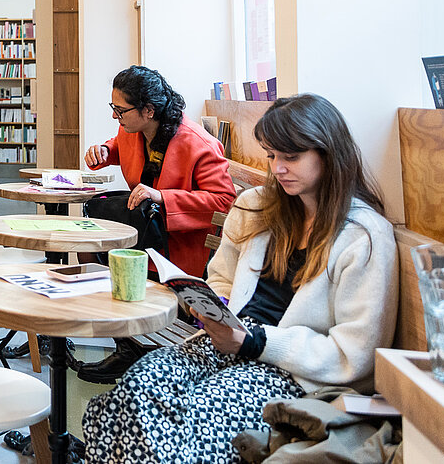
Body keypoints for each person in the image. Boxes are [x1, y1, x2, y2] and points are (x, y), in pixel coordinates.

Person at [80, 93, 398, 464]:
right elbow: (222, 278)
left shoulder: (363, 236)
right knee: (133, 391)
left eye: (290, 157)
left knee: (181, 421)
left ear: (328, 154)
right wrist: (216, 308)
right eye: (272, 156)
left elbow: (353, 355)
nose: (277, 169)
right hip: (226, 341)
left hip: (291, 372)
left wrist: (254, 342)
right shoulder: (259, 206)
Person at [77, 64, 236, 382]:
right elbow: (118, 146)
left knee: (105, 259)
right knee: (89, 249)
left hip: (176, 248)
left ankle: (137, 356)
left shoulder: (197, 144)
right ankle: (128, 350)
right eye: (113, 108)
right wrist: (103, 151)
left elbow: (224, 202)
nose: (115, 117)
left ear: (148, 110)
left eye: (120, 110)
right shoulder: (131, 130)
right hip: (145, 236)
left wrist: (164, 198)